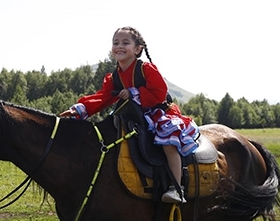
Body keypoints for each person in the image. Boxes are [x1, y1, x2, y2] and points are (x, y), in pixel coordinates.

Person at [60, 26, 199, 204]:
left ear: (137, 49)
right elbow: (103, 97)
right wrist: (79, 109)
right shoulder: (113, 77)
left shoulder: (146, 69)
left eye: (125, 42)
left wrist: (134, 92)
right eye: (115, 42)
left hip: (158, 112)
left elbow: (159, 91)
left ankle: (177, 188)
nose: (119, 46)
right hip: (134, 115)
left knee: (168, 143)